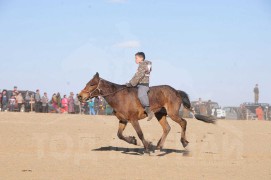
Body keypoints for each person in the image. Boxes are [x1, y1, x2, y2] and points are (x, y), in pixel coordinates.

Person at [126, 52, 154, 121]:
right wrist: (130, 83)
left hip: (143, 84)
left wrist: (131, 83)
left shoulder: (143, 65)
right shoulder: (142, 65)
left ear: (141, 58)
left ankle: (148, 110)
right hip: (138, 84)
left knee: (141, 95)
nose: (135, 60)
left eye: (136, 58)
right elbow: (136, 76)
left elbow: (139, 76)